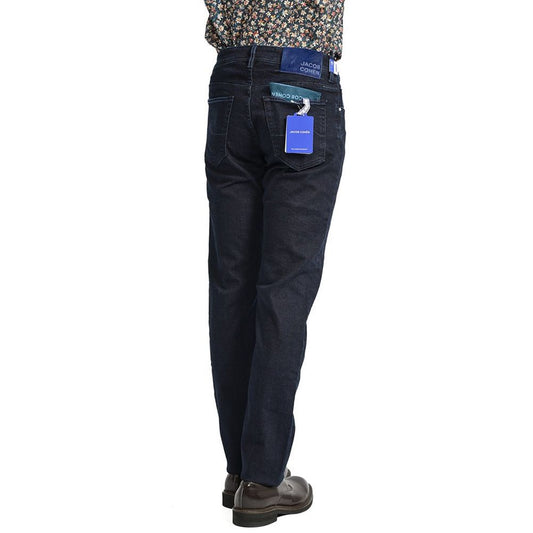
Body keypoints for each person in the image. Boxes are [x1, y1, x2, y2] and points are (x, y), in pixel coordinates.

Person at [203, 1, 346, 527]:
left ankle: (242, 470)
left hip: (230, 86)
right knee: (283, 291)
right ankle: (264, 481)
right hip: (301, 84)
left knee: (233, 287)